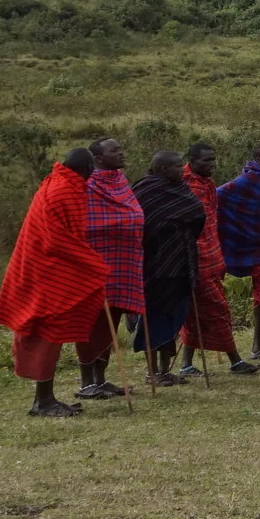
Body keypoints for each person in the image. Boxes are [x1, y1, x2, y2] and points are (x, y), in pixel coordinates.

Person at [0, 148, 108, 416]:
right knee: (48, 334)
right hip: (48, 274)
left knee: (49, 335)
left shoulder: (57, 183)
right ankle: (42, 401)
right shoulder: (64, 191)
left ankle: (46, 398)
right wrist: (93, 265)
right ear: (89, 169)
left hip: (43, 269)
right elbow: (59, 240)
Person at [176, 143, 257, 377]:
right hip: (194, 260)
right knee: (217, 311)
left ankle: (186, 365)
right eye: (206, 161)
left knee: (200, 313)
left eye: (213, 160)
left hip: (213, 256)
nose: (211, 165)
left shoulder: (208, 183)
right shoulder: (184, 186)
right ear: (191, 160)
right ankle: (235, 361)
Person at [132, 151, 206, 386]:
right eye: (176, 167)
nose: (182, 170)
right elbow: (143, 223)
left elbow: (196, 214)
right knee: (154, 317)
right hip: (155, 264)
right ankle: (151, 371)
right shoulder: (145, 191)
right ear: (163, 169)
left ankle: (165, 369)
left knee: (175, 314)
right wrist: (170, 222)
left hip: (181, 260)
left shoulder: (180, 188)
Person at [81, 137, 143, 399]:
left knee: (111, 322)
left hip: (122, 265)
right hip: (94, 266)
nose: (120, 153)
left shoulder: (120, 181)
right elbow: (86, 224)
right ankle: (86, 383)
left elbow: (134, 215)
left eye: (120, 148)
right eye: (114, 151)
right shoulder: (87, 185)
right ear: (97, 158)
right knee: (89, 324)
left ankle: (102, 378)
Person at [218, 142, 260, 366]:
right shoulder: (247, 181)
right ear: (258, 159)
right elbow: (216, 196)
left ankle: (258, 347)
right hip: (256, 249)